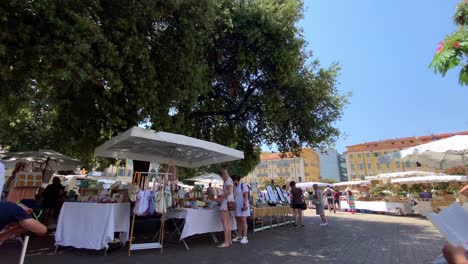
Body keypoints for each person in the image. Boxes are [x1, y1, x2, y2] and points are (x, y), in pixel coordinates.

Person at [217, 169, 234, 248]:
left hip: (225, 203)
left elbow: (229, 191)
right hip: (229, 203)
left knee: (225, 223)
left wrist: (221, 198)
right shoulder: (229, 180)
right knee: (227, 223)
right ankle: (229, 241)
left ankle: (226, 242)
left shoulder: (227, 181)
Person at [231, 175, 250, 244]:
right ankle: (239, 236)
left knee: (243, 221)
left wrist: (244, 204)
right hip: (237, 206)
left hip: (243, 206)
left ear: (235, 179)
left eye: (232, 180)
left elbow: (246, 195)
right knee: (238, 221)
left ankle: (245, 237)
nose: (232, 182)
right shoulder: (235, 187)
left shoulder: (243, 185)